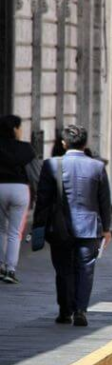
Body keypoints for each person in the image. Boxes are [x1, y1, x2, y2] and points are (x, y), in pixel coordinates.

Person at [33, 125, 112, 327]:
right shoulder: (97, 166)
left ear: (63, 143)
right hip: (89, 227)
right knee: (85, 269)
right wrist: (106, 229)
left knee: (63, 270)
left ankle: (65, 310)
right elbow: (104, 201)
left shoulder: (51, 164)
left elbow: (42, 200)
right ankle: (80, 310)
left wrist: (38, 227)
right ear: (85, 144)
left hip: (59, 228)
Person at [0, 115, 36, 284]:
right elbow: (34, 173)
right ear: (15, 129)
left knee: (1, 230)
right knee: (15, 232)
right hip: (20, 188)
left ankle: (0, 265)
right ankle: (10, 269)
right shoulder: (26, 149)